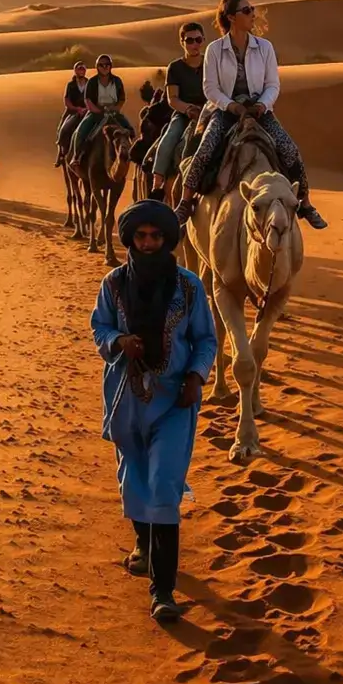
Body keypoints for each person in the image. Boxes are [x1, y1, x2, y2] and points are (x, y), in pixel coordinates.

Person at [90, 200, 217, 622]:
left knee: (164, 485)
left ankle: (162, 590)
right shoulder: (112, 284)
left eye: (155, 237)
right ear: (130, 239)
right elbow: (100, 327)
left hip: (174, 400)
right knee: (135, 482)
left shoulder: (189, 287)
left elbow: (206, 340)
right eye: (141, 236)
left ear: (166, 240)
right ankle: (143, 544)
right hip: (128, 396)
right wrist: (119, 342)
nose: (147, 244)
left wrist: (196, 378)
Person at [174, 0, 327, 229]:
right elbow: (210, 88)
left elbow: (273, 84)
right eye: (246, 10)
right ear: (231, 17)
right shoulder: (215, 50)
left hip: (259, 110)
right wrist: (230, 105)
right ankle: (186, 202)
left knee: (290, 150)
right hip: (225, 110)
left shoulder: (265, 47)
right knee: (204, 150)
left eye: (251, 9)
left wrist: (262, 105)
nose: (252, 14)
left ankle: (305, 203)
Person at [149, 23, 208, 198]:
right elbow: (172, 98)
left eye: (198, 40)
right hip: (184, 112)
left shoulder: (211, 64)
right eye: (189, 40)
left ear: (203, 40)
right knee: (169, 138)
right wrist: (188, 109)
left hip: (210, 111)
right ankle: (157, 183)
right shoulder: (175, 67)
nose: (194, 44)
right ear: (182, 42)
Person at [70, 54, 133, 159]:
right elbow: (87, 100)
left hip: (113, 112)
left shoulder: (117, 81)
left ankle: (131, 156)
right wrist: (97, 111)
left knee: (129, 130)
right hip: (96, 112)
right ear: (97, 67)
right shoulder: (92, 82)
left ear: (111, 66)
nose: (104, 67)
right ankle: (77, 156)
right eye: (101, 65)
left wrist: (116, 108)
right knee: (81, 131)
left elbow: (122, 98)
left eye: (107, 65)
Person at [54, 61, 89, 166]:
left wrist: (87, 108)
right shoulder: (71, 85)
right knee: (63, 129)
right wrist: (76, 109)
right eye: (79, 68)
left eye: (83, 68)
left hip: (88, 110)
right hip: (72, 111)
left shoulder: (89, 83)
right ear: (75, 71)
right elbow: (67, 100)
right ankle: (61, 154)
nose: (81, 70)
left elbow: (93, 98)